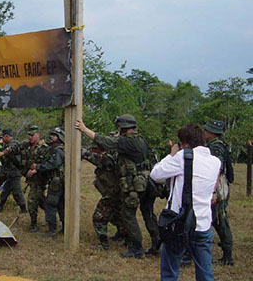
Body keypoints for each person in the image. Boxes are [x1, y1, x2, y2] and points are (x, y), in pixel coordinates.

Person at [76, 115, 155, 258]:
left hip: (133, 187)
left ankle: (137, 249)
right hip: (143, 184)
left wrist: (84, 129)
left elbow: (106, 142)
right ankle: (154, 244)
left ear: (122, 127)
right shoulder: (141, 140)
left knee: (128, 216)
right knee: (141, 214)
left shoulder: (126, 142)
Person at [151, 124, 220, 281]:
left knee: (170, 270)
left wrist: (171, 155)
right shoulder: (215, 162)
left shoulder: (183, 157)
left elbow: (156, 174)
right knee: (205, 270)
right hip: (203, 222)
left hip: (179, 222)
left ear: (185, 143)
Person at [81, 135, 127, 250]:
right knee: (116, 216)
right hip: (116, 194)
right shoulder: (111, 157)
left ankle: (103, 244)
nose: (93, 151)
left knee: (99, 217)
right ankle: (124, 236)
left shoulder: (106, 159)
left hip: (112, 195)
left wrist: (79, 149)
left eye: (94, 149)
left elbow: (89, 156)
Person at [203, 119, 234, 265]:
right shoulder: (217, 146)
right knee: (217, 218)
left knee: (219, 219)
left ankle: (228, 255)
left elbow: (217, 169)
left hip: (218, 186)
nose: (204, 132)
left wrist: (213, 191)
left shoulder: (216, 148)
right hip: (220, 185)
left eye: (206, 130)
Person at [29, 127, 65, 237]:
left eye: (54, 135)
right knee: (60, 205)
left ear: (59, 138)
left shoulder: (58, 150)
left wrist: (38, 167)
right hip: (59, 181)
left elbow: (53, 164)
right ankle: (64, 227)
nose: (51, 137)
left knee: (50, 204)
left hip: (56, 182)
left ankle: (51, 229)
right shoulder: (59, 149)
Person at [21, 125, 51, 232]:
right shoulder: (26, 146)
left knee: (32, 200)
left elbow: (48, 164)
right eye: (29, 135)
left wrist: (35, 170)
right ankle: (52, 218)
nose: (30, 137)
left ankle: (34, 224)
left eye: (32, 135)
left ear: (38, 135)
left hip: (40, 179)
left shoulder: (44, 148)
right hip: (31, 180)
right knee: (42, 201)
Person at [0, 128, 26, 214]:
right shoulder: (5, 144)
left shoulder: (14, 143)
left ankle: (24, 209)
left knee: (16, 191)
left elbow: (11, 149)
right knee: (6, 190)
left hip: (15, 171)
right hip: (9, 171)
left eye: (3, 137)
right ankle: (0, 205)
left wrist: (2, 153)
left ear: (7, 136)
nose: (2, 138)